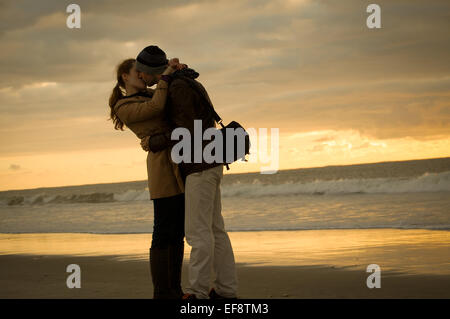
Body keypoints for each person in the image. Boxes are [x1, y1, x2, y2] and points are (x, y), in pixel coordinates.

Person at [136, 45, 238, 299]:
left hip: (199, 165)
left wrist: (154, 142)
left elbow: (187, 132)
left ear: (150, 72)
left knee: (197, 232)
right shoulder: (184, 82)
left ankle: (197, 293)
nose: (141, 78)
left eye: (142, 72)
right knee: (215, 229)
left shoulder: (177, 87)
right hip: (210, 161)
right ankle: (226, 290)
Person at [108, 55, 187, 299]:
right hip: (162, 170)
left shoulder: (152, 92)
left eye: (144, 71)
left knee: (177, 231)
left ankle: (176, 289)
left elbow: (172, 103)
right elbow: (157, 108)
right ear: (125, 77)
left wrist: (173, 72)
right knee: (163, 230)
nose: (143, 75)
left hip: (180, 163)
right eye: (137, 72)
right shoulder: (123, 105)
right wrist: (164, 78)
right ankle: (162, 292)